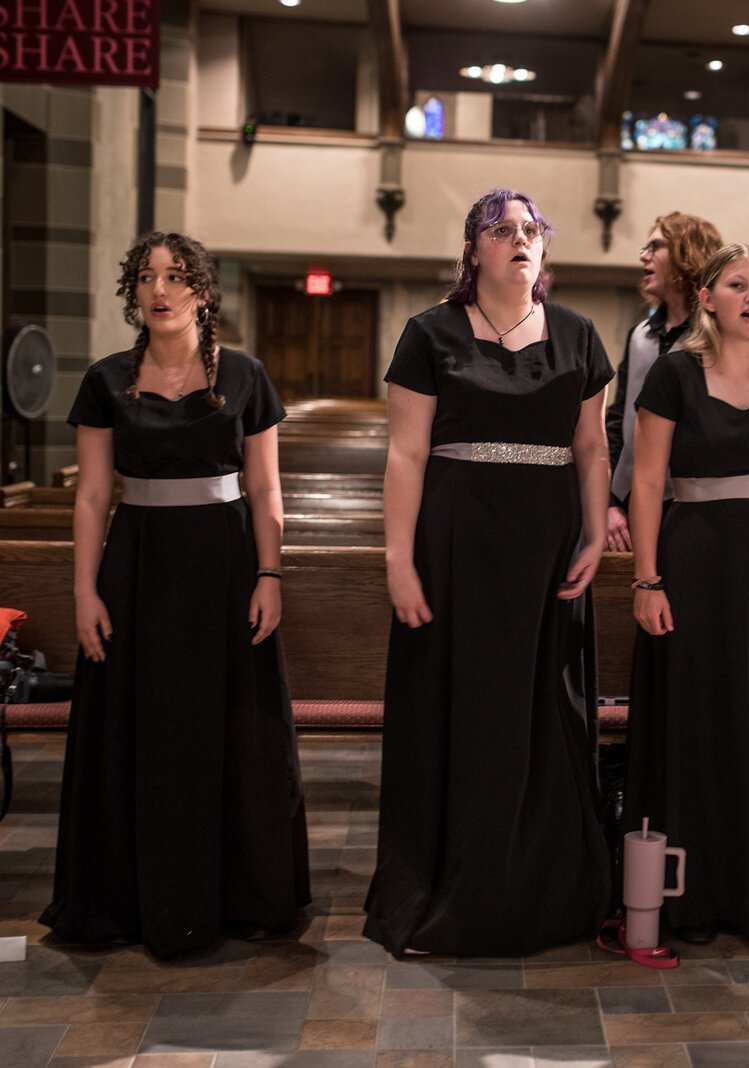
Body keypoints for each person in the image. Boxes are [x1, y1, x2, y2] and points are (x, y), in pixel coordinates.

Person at [42, 232, 309, 957]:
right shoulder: (105, 380)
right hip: (136, 569)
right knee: (140, 728)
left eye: (176, 276)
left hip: (224, 568)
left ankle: (239, 896)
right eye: (147, 278)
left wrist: (270, 575)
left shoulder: (247, 376)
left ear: (203, 290)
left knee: (232, 730)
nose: (160, 290)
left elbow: (264, 490)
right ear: (134, 293)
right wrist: (84, 592)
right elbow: (94, 497)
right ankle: (128, 899)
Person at [364, 189, 612, 956]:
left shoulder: (577, 334)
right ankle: (450, 889)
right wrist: (398, 561)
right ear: (473, 250)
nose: (519, 240)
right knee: (460, 713)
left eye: (531, 229)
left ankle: (542, 891)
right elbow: (405, 453)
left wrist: (597, 535)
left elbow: (594, 449)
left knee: (544, 713)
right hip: (455, 545)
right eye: (501, 229)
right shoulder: (429, 333)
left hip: (545, 549)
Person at [623, 244, 749, 943]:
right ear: (708, 297)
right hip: (690, 560)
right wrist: (647, 579)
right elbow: (647, 482)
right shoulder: (676, 374)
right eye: (738, 284)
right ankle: (691, 896)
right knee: (697, 718)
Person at [605, 212, 724, 552]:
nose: (644, 255)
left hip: (692, 506)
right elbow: (618, 420)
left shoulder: (716, 338)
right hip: (627, 501)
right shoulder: (639, 335)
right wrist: (609, 500)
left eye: (656, 246)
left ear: (688, 254)